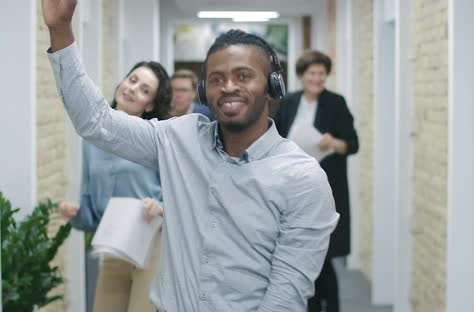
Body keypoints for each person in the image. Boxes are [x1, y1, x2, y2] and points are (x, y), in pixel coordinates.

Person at [42, 0, 338, 310]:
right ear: (203, 92)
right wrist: (60, 31)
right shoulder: (178, 139)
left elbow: (285, 297)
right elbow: (97, 121)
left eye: (243, 75)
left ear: (272, 86)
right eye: (216, 79)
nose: (228, 87)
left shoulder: (303, 178)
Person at [57, 60, 172, 312]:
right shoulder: (92, 141)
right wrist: (76, 214)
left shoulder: (155, 140)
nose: (133, 89)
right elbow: (90, 214)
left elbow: (181, 195)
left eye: (144, 89)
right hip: (115, 242)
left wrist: (161, 206)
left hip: (154, 241)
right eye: (132, 80)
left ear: (150, 104)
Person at [273, 50, 359, 312]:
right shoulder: (288, 102)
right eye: (312, 73)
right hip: (294, 189)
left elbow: (353, 144)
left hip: (328, 188)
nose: (317, 78)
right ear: (301, 75)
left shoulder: (337, 103)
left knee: (325, 254)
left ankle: (329, 307)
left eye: (322, 73)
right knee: (302, 253)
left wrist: (333, 143)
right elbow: (274, 137)